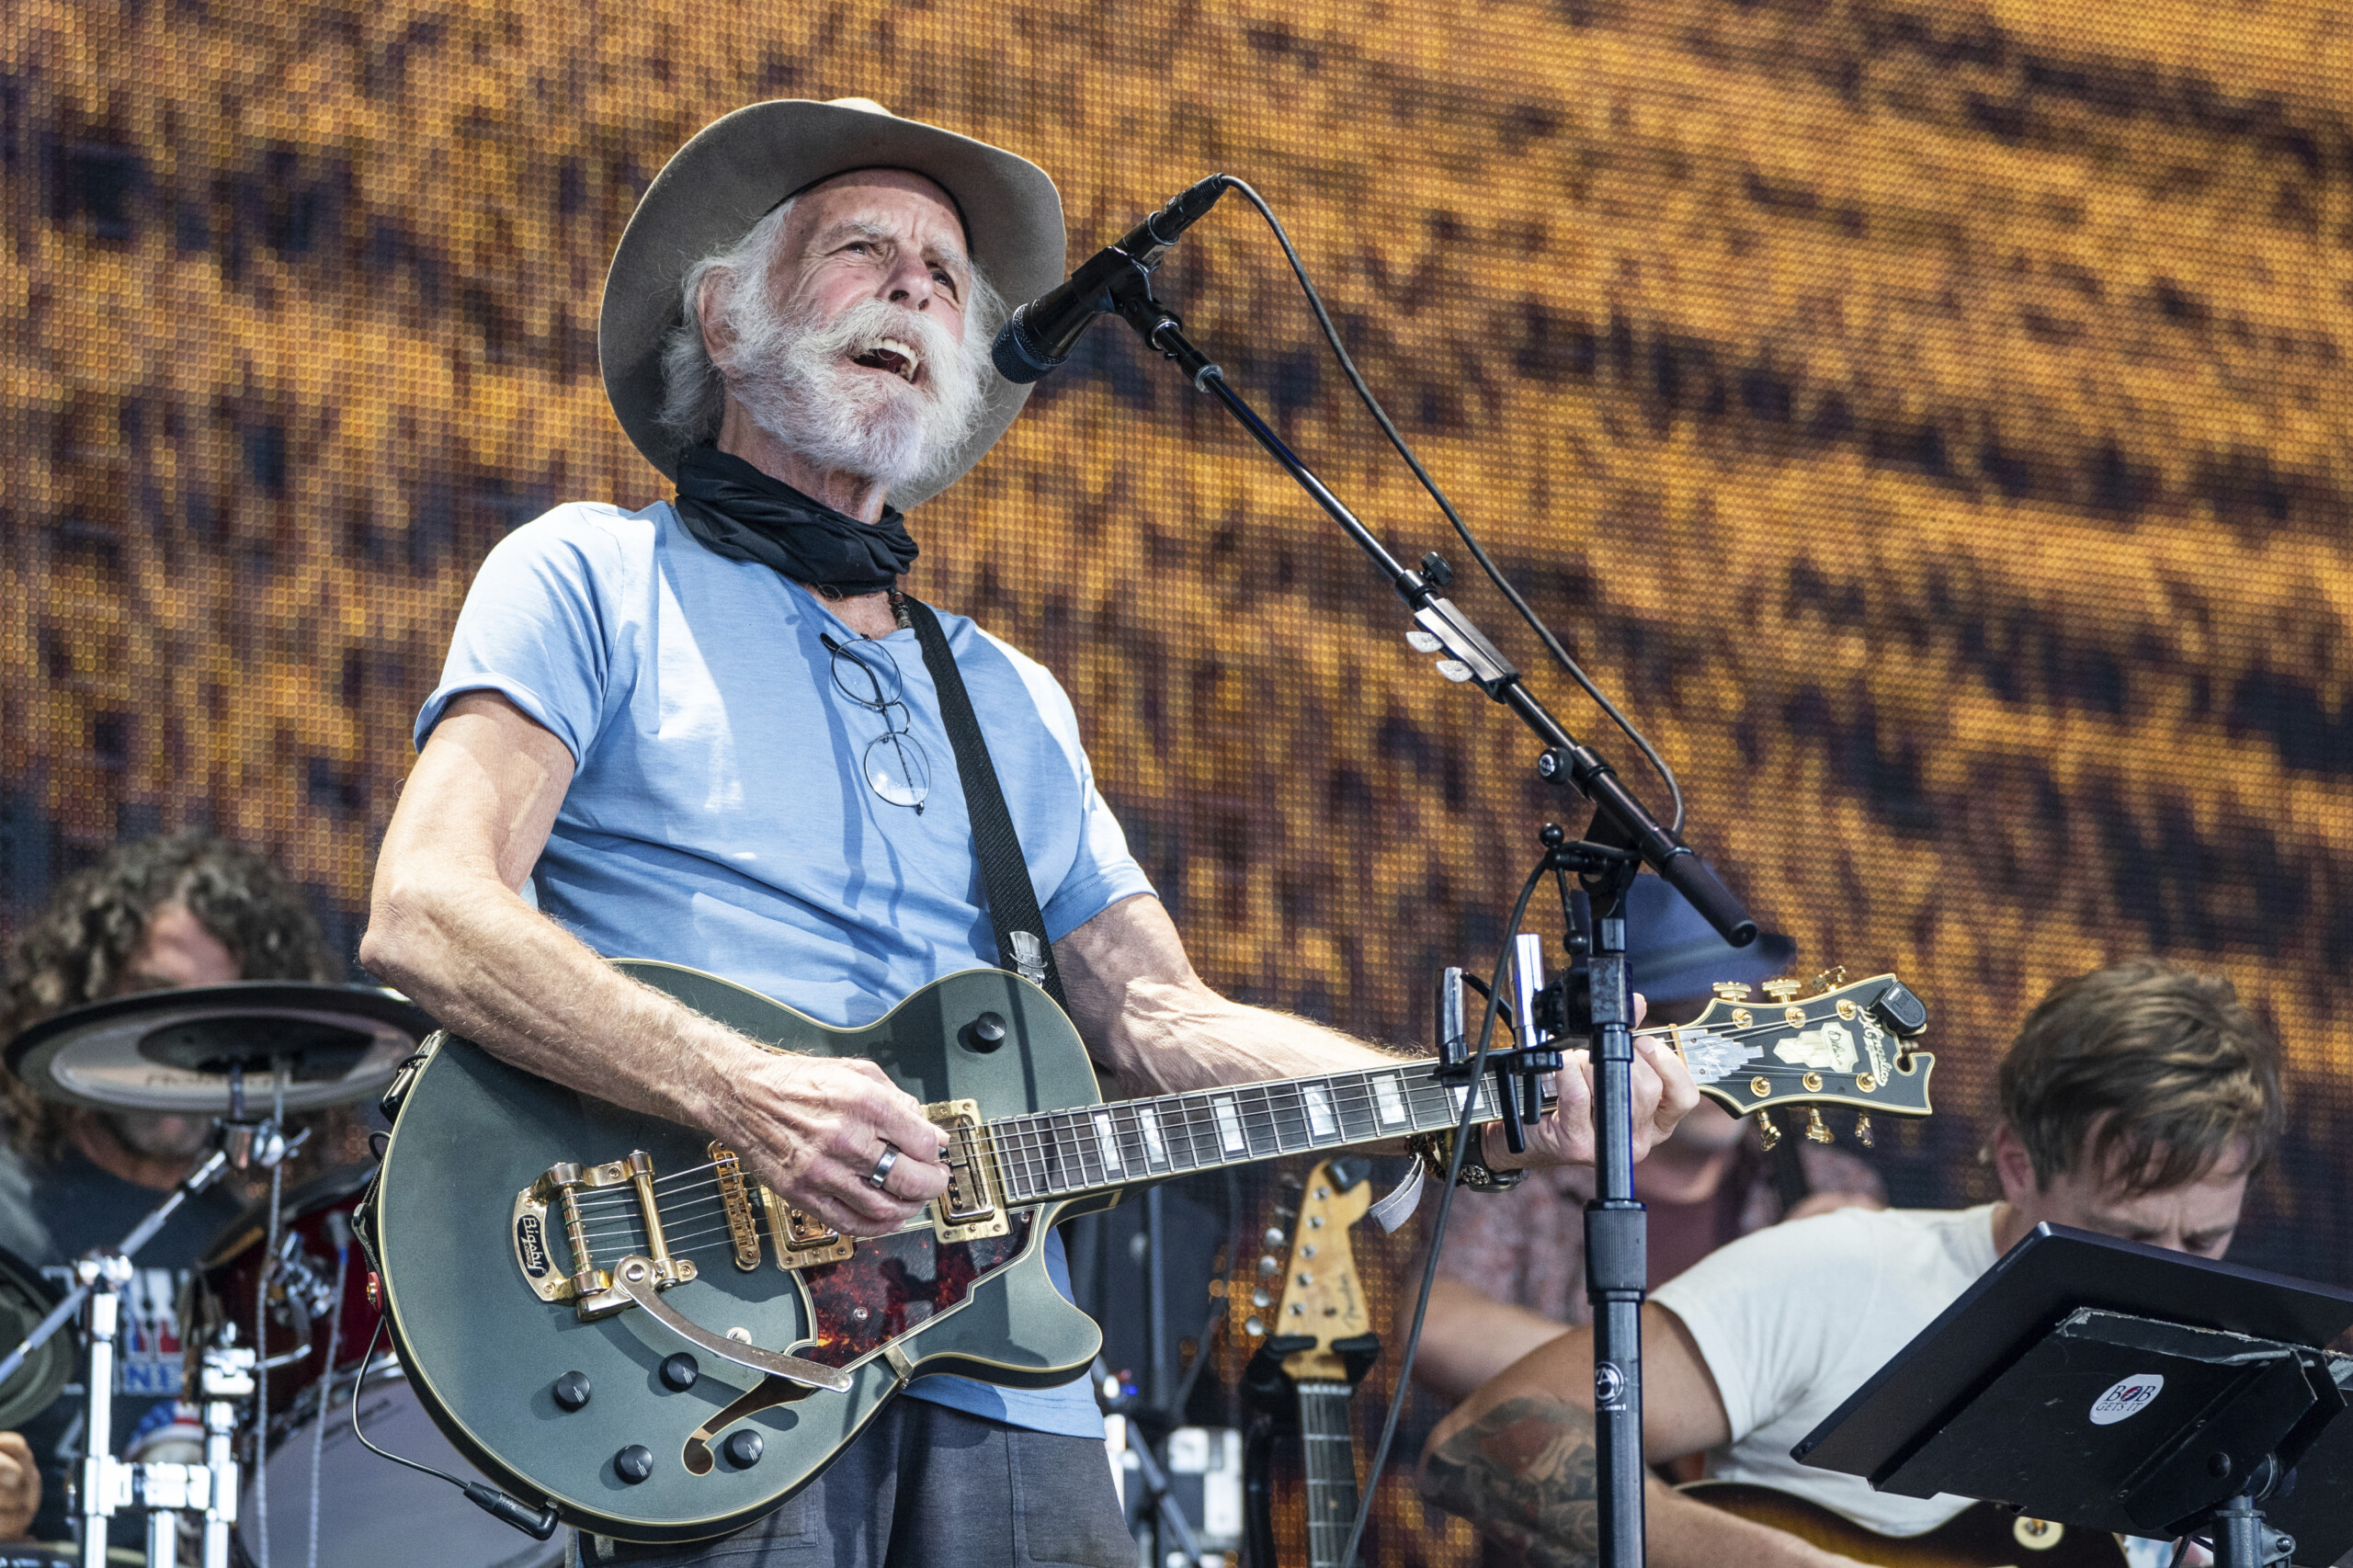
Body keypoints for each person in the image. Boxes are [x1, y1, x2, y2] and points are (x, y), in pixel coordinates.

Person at [358, 97, 1699, 1568]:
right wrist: (748, 1092)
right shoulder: (590, 575)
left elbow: (1160, 1019)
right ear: (726, 320)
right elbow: (426, 908)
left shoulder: (1006, 693)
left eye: (945, 273)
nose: (916, 286)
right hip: (694, 1336)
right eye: (863, 249)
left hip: (1001, 1376)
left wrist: (1460, 1099)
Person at [1416, 958, 2285, 1568]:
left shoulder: (2253, 1379)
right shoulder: (1844, 1268)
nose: (2174, 1276)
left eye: (2205, 1241)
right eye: (2129, 1236)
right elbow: (1485, 1444)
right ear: (2018, 1164)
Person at [0, 829, 342, 1545]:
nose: (186, 1045)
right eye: (155, 1002)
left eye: (217, 1016)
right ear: (86, 1001)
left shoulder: (263, 1251)